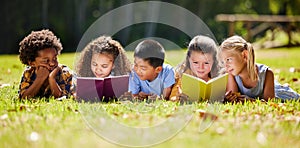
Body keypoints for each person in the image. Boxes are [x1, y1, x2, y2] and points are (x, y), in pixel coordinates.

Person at [219, 35, 300, 102]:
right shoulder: (232, 74)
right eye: (223, 62)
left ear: (244, 55)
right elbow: (234, 98)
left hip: (279, 94)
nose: (226, 66)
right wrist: (228, 98)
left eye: (228, 60)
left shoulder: (266, 73)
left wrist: (251, 101)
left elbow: (269, 102)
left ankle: (284, 87)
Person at [18, 29, 73, 99]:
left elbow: (61, 97)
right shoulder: (28, 73)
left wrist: (52, 79)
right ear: (32, 63)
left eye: (55, 58)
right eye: (46, 61)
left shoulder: (64, 73)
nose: (52, 63)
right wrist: (40, 78)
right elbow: (23, 97)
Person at [169, 35, 221, 101]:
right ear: (188, 59)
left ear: (214, 61)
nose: (201, 67)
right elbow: (172, 97)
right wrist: (178, 98)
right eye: (196, 63)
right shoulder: (183, 75)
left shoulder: (218, 76)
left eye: (206, 63)